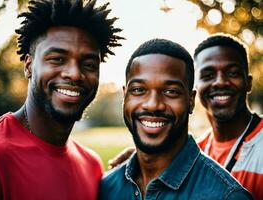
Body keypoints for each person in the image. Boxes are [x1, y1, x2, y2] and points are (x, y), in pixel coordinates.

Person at [0, 0, 123, 199]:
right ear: (29, 66)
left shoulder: (92, 165)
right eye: (57, 59)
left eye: (89, 64)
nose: (74, 74)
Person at [99, 39, 252, 199]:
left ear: (191, 100)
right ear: (125, 96)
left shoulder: (227, 196)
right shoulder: (107, 187)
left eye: (171, 92)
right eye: (138, 90)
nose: (153, 105)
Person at [194, 33, 263, 200]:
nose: (220, 82)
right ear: (195, 88)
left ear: (248, 82)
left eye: (232, 73)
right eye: (208, 75)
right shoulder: (193, 154)